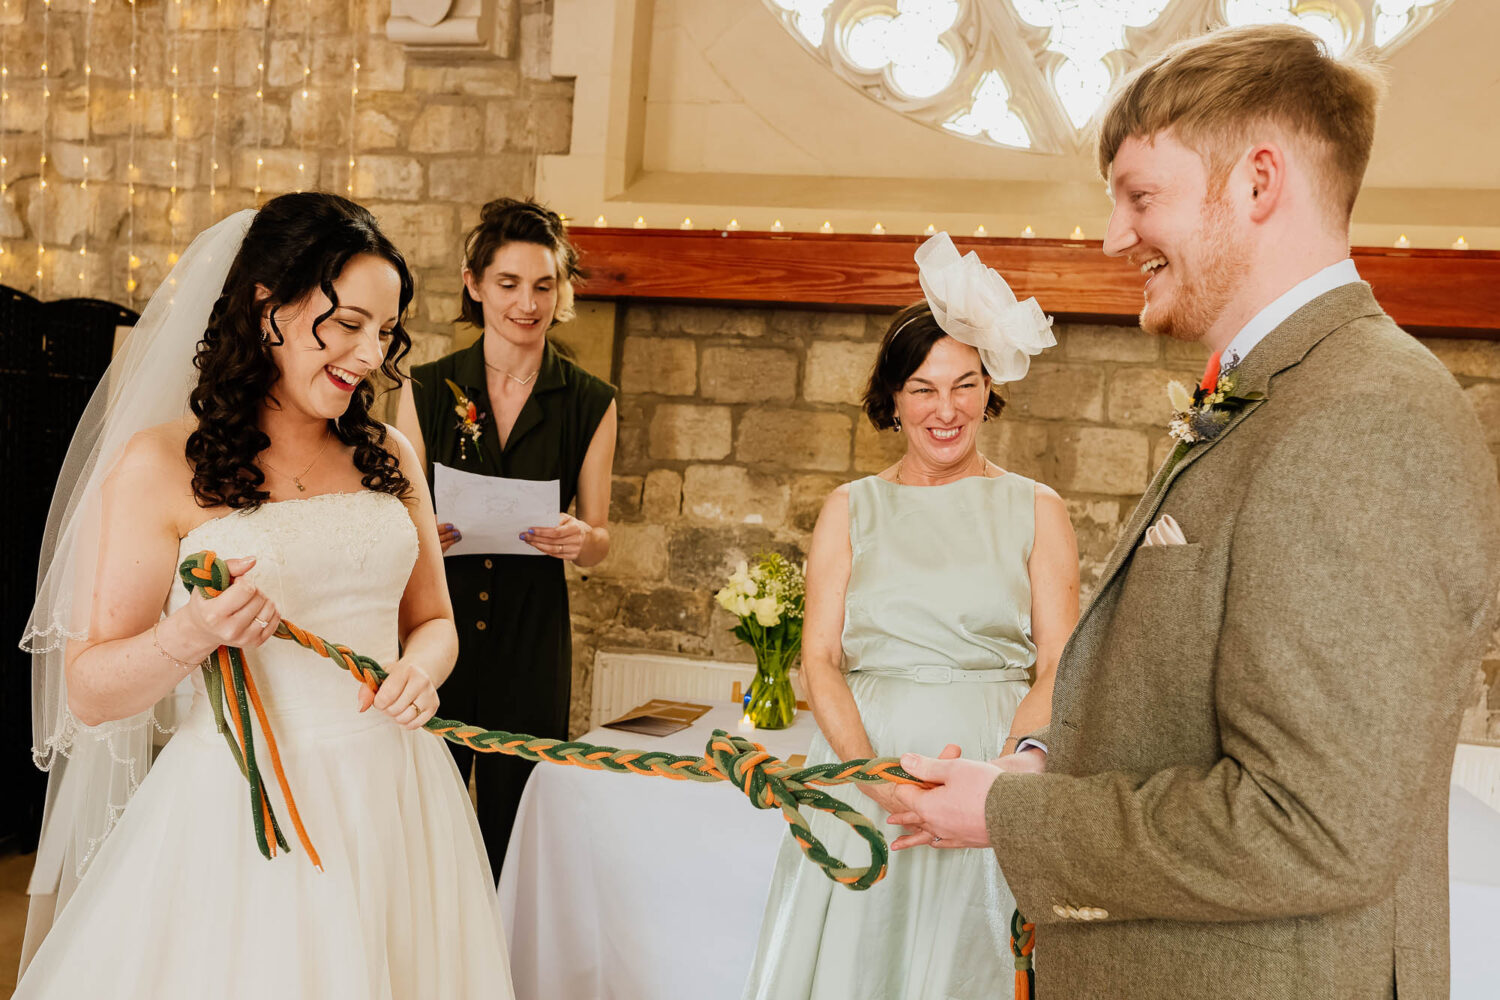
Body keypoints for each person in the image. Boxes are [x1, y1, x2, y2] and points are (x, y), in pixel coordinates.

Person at [888, 24, 1500, 998]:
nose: (1112, 237)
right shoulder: (1285, 387)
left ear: (1258, 183)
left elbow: (1316, 828)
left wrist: (1015, 821)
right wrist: (1039, 767)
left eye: (1140, 196)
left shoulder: (1365, 417)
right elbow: (1183, 704)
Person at [17, 194, 513, 996]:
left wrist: (422, 669)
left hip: (398, 794)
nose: (368, 354)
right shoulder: (161, 464)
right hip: (242, 812)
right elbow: (90, 689)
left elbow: (434, 622)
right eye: (347, 324)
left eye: (385, 332)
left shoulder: (389, 454)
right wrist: (192, 634)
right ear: (266, 308)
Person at [742, 234, 1077, 1000]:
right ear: (892, 400)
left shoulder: (1038, 508)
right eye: (923, 388)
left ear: (989, 390)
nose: (945, 409)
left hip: (989, 772)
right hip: (866, 773)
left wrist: (990, 784)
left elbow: (1060, 663)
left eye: (964, 385)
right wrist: (876, 780)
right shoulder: (849, 508)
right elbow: (820, 660)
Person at [395, 197, 617, 875]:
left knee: (517, 824)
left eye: (544, 286)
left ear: (561, 291)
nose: (528, 303)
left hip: (532, 637)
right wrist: (419, 533)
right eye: (509, 283)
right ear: (475, 284)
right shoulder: (426, 388)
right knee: (422, 815)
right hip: (437, 628)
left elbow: (601, 536)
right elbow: (393, 517)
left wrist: (582, 539)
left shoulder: (591, 400)